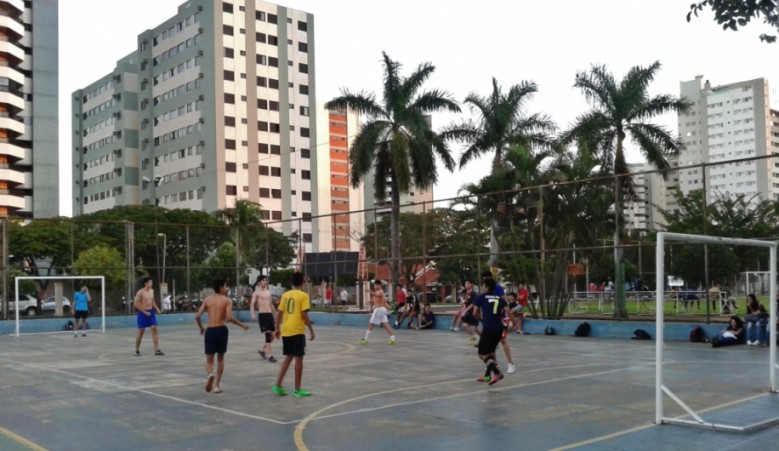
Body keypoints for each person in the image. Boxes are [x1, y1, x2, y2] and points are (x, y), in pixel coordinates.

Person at [195, 279, 249, 394]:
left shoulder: (207, 300)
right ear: (220, 288)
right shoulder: (227, 300)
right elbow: (229, 317)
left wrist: (201, 328)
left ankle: (210, 374)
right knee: (220, 358)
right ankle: (217, 386)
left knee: (209, 359)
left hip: (210, 330)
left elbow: (197, 316)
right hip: (221, 330)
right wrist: (242, 325)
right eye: (225, 286)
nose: (227, 288)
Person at [273, 272, 315, 397]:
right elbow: (304, 314)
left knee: (289, 357)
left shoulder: (285, 295)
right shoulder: (303, 296)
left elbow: (279, 313)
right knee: (298, 358)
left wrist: (277, 328)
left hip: (286, 330)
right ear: (303, 282)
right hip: (297, 330)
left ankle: (278, 385)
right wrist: (311, 330)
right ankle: (297, 389)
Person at [471, 277, 507, 385]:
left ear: (486, 287)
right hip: (499, 328)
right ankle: (487, 376)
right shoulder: (500, 298)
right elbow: (507, 311)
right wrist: (513, 324)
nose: (482, 287)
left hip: (489, 328)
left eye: (483, 285)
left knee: (482, 354)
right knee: (491, 352)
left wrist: (480, 319)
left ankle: (497, 373)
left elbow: (474, 312)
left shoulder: (481, 297)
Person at [133, 277, 164, 356]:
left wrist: (157, 309)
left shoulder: (152, 291)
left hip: (151, 312)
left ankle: (157, 350)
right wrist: (144, 312)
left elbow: (152, 301)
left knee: (154, 329)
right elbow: (135, 304)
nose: (151, 284)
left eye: (151, 282)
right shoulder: (140, 292)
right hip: (142, 313)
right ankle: (137, 350)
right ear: (145, 283)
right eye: (150, 282)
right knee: (141, 331)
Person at [250, 275, 278, 362]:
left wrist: (276, 314)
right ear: (259, 282)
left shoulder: (268, 292)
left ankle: (263, 350)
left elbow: (271, 304)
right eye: (263, 280)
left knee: (273, 336)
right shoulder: (256, 293)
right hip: (262, 315)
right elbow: (252, 304)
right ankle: (269, 355)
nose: (265, 282)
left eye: (265, 280)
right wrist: (252, 314)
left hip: (269, 315)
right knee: (268, 335)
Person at [359, 279, 396, 345]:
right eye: (375, 285)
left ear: (380, 285)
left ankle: (365, 339)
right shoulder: (378, 293)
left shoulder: (380, 291)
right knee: (385, 324)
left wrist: (369, 291)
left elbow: (377, 295)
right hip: (381, 309)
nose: (376, 286)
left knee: (371, 324)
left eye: (377, 285)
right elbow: (383, 302)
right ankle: (393, 338)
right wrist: (371, 302)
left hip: (379, 309)